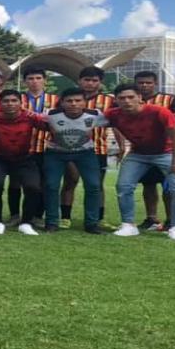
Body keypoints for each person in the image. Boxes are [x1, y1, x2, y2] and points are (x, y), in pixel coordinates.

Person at [105, 83, 175, 241]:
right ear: (116, 100)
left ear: (140, 97)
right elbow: (88, 122)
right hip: (138, 153)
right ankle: (128, 225)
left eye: (131, 97)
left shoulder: (159, 112)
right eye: (122, 98)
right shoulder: (113, 114)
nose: (127, 101)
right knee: (123, 186)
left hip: (166, 152)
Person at [0, 90, 46, 235]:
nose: (10, 104)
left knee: (33, 187)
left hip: (24, 158)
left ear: (21, 103)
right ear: (0, 104)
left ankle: (26, 223)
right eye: (6, 101)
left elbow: (48, 126)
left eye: (14, 101)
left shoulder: (30, 117)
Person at [39, 88, 104, 234]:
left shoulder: (95, 115)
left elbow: (116, 123)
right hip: (56, 153)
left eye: (78, 100)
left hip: (85, 153)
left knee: (94, 185)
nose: (73, 104)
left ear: (85, 102)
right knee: (51, 185)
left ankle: (92, 224)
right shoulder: (50, 114)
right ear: (62, 102)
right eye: (69, 101)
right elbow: (36, 123)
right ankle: (51, 222)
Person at [60, 66, 115, 229]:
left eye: (94, 80)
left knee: (96, 185)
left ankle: (98, 218)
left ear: (100, 82)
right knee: (71, 180)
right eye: (87, 80)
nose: (90, 83)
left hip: (98, 148)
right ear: (80, 81)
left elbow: (116, 122)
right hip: (71, 148)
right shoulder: (69, 98)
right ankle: (65, 217)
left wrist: (121, 145)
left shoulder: (110, 101)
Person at [133, 70, 175, 231]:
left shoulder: (170, 99)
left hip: (166, 150)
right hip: (143, 151)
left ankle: (170, 220)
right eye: (141, 82)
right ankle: (151, 218)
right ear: (136, 84)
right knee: (148, 185)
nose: (144, 85)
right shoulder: (132, 100)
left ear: (155, 83)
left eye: (148, 82)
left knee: (169, 186)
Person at [19, 68, 59, 225]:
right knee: (23, 184)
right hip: (24, 149)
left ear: (45, 80)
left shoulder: (56, 100)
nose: (34, 81)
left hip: (49, 149)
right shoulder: (17, 99)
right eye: (30, 78)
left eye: (38, 78)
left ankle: (38, 215)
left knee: (45, 184)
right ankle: (17, 215)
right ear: (25, 82)